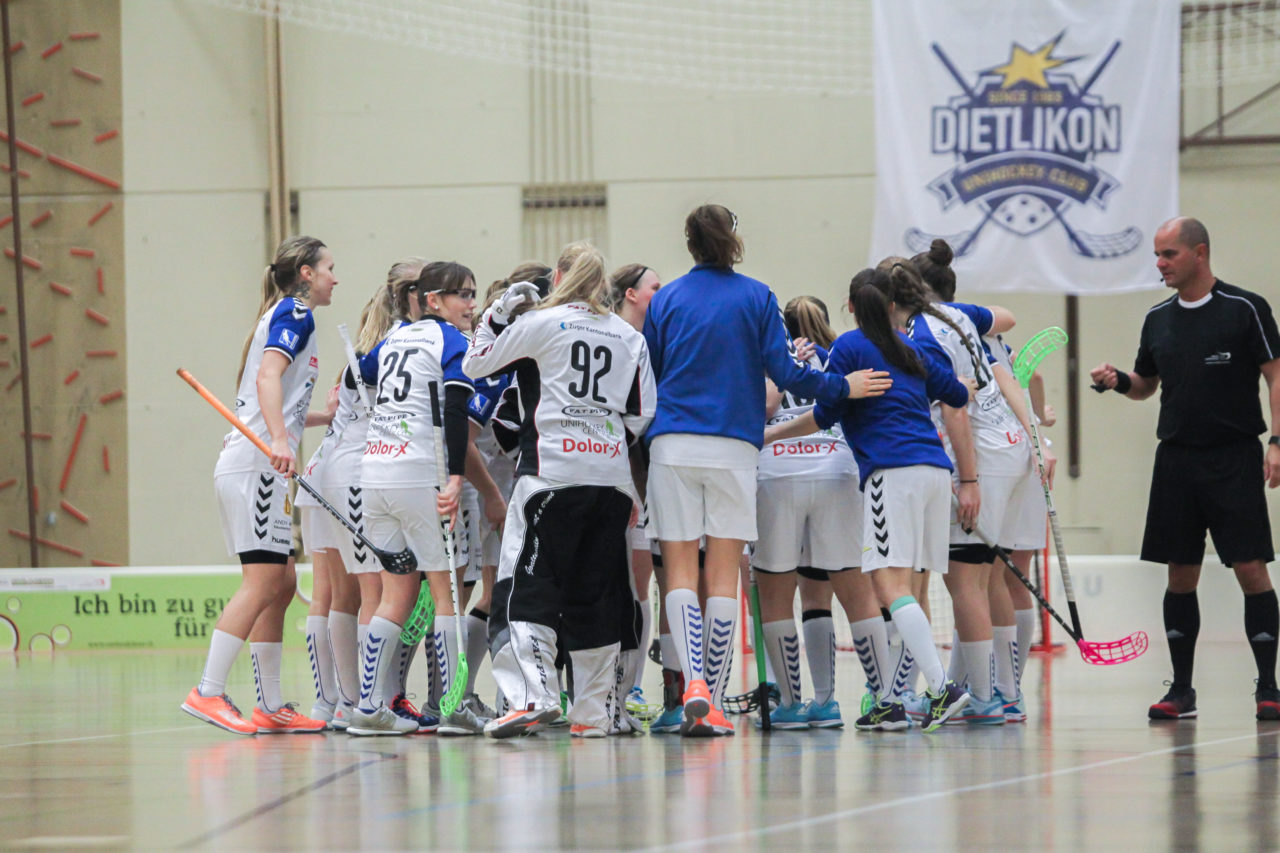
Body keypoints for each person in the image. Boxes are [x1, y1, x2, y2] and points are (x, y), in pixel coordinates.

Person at [642, 204, 880, 737]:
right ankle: (716, 696)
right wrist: (842, 387)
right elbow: (786, 370)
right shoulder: (758, 295)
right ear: (734, 239)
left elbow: (650, 372)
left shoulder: (668, 299)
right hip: (733, 447)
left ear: (689, 243)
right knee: (723, 573)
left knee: (679, 573)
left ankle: (692, 689)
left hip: (673, 446)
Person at [765, 262, 977, 732]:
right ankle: (889, 699)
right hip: (933, 474)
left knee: (889, 586)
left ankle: (941, 689)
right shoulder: (914, 346)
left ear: (851, 306)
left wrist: (769, 436)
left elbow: (824, 413)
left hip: (891, 473)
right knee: (907, 588)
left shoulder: (850, 347)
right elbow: (957, 395)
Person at [1090, 216, 1280, 721]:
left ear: (1200, 252)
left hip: (1234, 456)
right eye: (1157, 255)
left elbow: (1275, 375)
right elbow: (1146, 384)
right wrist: (1117, 380)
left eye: (1169, 254)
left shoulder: (1245, 309)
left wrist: (1277, 442)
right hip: (1176, 458)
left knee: (1250, 567)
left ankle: (1268, 686)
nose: (1160, 264)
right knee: (1180, 573)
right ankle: (1181, 690)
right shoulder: (1157, 318)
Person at [464, 247, 657, 739]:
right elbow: (642, 412)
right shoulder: (629, 336)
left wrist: (495, 315)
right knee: (598, 595)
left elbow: (476, 364)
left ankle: (534, 696)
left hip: (549, 477)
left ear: (558, 277)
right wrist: (605, 441)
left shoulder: (544, 323)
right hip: (611, 482)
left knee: (524, 590)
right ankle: (594, 714)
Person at [181, 235, 336, 735]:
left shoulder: (284, 313)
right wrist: (278, 440)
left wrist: (318, 420)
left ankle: (269, 704)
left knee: (284, 582)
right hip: (255, 467)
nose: (336, 277)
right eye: (330, 268)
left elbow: (277, 399)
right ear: (307, 274)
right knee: (264, 581)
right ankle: (207, 691)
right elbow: (269, 379)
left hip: (256, 463)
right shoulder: (296, 312)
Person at [350, 261, 481, 736]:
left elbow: (358, 373)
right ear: (432, 300)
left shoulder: (394, 338)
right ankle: (451, 707)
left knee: (396, 594)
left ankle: (369, 706)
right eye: (460, 295)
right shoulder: (452, 341)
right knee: (446, 596)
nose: (469, 303)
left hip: (375, 474)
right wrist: (453, 477)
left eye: (472, 293)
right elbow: (455, 404)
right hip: (418, 475)